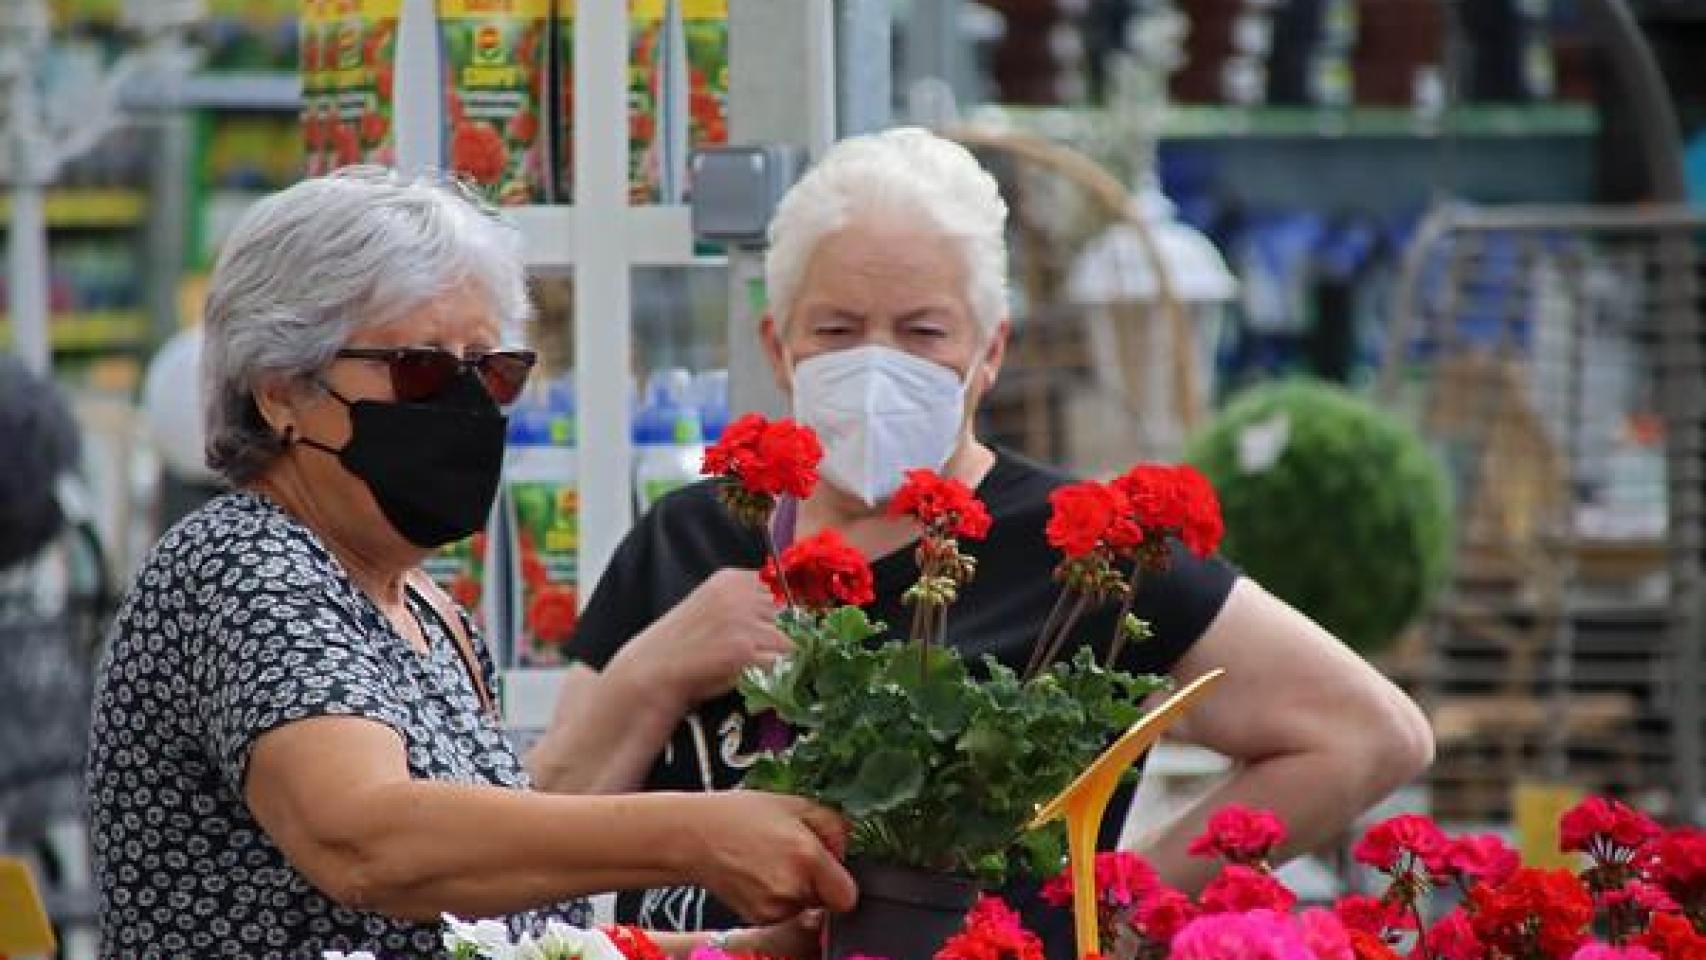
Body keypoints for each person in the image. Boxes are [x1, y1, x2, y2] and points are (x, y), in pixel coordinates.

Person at [530, 128, 1435, 949]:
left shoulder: (1078, 553)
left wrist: (1110, 908)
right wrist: (656, 669)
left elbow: (1367, 734)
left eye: (922, 332)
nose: (877, 362)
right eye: (837, 330)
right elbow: (533, 834)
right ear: (778, 345)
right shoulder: (692, 536)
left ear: (990, 352)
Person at [85, 168, 855, 959]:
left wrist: (744, 951)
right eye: (419, 368)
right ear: (281, 390)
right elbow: (367, 843)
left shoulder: (425, 609)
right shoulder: (241, 565)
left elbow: (504, 938)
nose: (466, 406)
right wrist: (691, 835)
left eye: (490, 370)